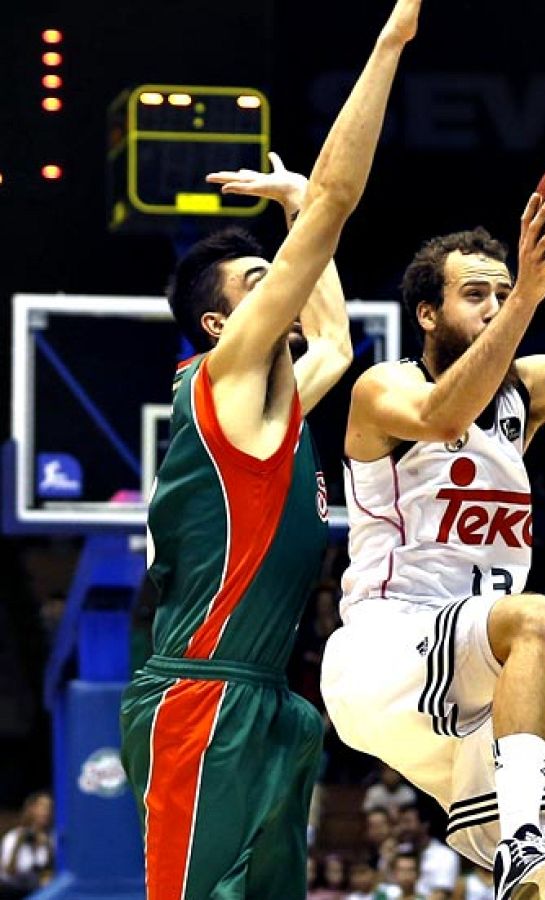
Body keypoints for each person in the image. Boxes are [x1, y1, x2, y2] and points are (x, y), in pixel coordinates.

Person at [118, 4, 419, 897]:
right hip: (199, 700)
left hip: (262, 699)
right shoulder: (224, 379)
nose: (276, 285)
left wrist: (295, 210)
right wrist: (389, 41)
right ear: (221, 323)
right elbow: (336, 202)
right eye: (257, 284)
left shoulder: (275, 403)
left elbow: (333, 342)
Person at [322, 150, 545, 899]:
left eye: (502, 292)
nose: (493, 304)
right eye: (474, 294)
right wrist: (529, 300)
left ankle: (530, 854)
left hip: (478, 694)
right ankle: (519, 842)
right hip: (387, 652)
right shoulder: (386, 387)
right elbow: (444, 415)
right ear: (427, 313)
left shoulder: (525, 394)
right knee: (539, 618)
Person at [0, 791, 53, 894]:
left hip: (40, 891)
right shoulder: (14, 837)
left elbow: (51, 872)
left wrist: (47, 845)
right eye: (42, 807)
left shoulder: (53, 838)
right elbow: (7, 871)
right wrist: (19, 844)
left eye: (49, 808)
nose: (46, 812)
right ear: (31, 809)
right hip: (12, 890)